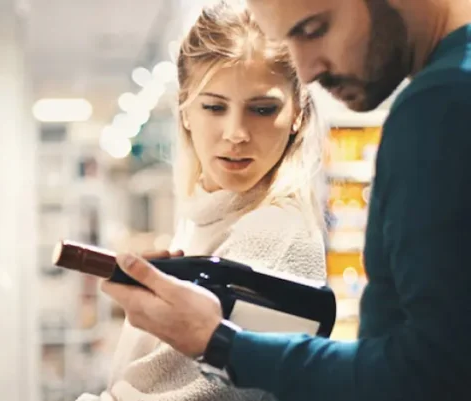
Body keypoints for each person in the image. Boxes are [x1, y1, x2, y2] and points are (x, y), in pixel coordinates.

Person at [100, 0, 471, 399]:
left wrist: (222, 345)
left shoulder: (442, 103)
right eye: (213, 106)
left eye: (313, 29)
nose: (308, 70)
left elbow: (431, 374)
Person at [79, 2, 329, 400]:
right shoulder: (208, 213)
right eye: (214, 107)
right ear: (186, 113)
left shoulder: (273, 234)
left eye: (262, 109)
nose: (236, 133)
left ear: (298, 113)